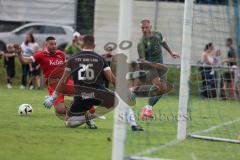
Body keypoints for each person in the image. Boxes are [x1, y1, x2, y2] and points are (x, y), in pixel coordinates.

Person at [43, 35, 143, 131]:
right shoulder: (100, 59)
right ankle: (134, 125)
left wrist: (53, 97)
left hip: (81, 96)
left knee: (68, 123)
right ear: (94, 46)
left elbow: (63, 80)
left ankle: (87, 117)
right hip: (99, 94)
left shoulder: (73, 59)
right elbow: (111, 79)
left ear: (81, 46)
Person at [16, 36, 70, 118]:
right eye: (51, 44)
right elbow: (24, 61)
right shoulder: (40, 55)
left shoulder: (61, 54)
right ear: (46, 45)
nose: (54, 46)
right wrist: (19, 54)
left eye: (55, 44)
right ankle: (79, 113)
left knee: (81, 94)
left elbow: (68, 67)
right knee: (60, 110)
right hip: (53, 85)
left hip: (65, 81)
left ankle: (83, 112)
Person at [137, 19, 180, 120]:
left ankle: (147, 109)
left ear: (150, 26)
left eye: (146, 27)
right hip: (150, 67)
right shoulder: (141, 42)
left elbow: (163, 43)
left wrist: (171, 52)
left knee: (163, 89)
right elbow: (142, 60)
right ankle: (147, 110)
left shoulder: (158, 34)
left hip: (161, 66)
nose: (144, 29)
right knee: (158, 85)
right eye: (142, 28)